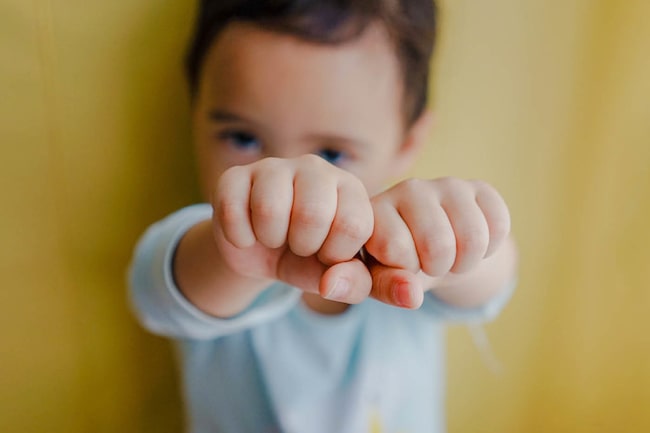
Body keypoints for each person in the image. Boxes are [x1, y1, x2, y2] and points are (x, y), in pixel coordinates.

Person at [128, 1, 518, 432]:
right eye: (241, 137)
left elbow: (492, 279)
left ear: (408, 144)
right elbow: (158, 294)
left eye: (331, 153)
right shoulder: (204, 246)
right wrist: (236, 252)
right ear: (194, 111)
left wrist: (453, 243)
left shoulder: (408, 244)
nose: (291, 181)